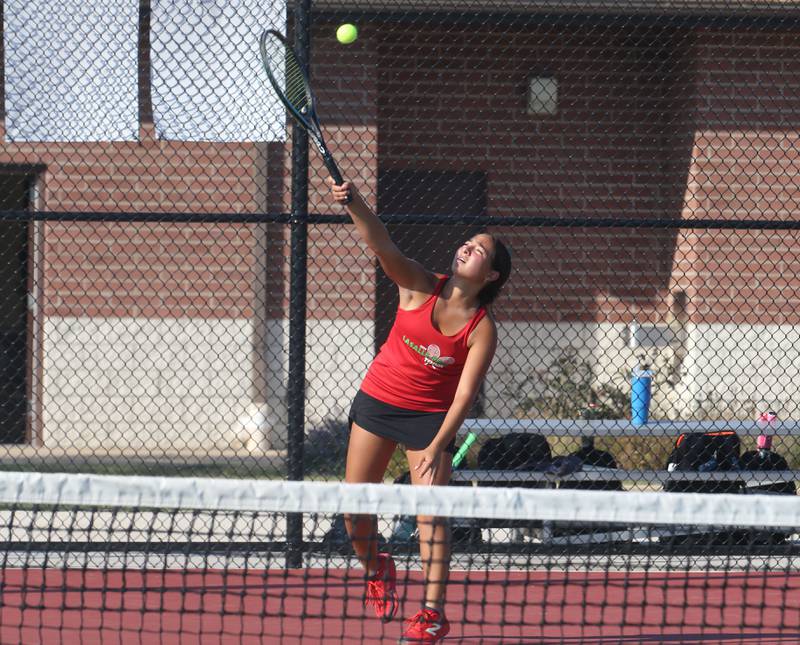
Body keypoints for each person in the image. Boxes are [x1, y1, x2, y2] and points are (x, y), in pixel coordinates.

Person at [328, 177, 512, 643]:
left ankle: (432, 612)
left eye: (479, 250)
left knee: (431, 515)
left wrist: (434, 445)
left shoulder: (481, 329)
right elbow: (381, 241)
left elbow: (464, 396)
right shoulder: (418, 285)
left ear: (491, 275)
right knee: (354, 508)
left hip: (431, 419)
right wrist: (355, 203)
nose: (467, 248)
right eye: (467, 243)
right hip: (379, 400)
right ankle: (377, 567)